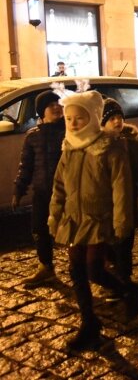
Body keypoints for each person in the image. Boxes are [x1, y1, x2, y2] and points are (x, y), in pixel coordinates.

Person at [48, 90, 138, 351]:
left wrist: (122, 220)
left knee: (93, 269)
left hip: (99, 218)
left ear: (91, 118)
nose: (73, 123)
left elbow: (121, 186)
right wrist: (55, 214)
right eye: (68, 119)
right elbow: (59, 185)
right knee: (76, 270)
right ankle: (89, 323)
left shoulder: (109, 147)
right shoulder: (68, 147)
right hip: (74, 219)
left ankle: (128, 289)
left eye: (79, 118)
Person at [12, 90, 65, 287]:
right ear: (42, 111)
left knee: (74, 231)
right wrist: (19, 190)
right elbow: (26, 166)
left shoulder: (68, 131)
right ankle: (46, 268)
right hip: (42, 192)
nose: (56, 107)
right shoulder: (32, 136)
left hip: (66, 192)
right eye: (51, 105)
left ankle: (98, 265)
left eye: (58, 103)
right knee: (39, 230)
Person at [100, 98, 138, 288]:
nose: (117, 121)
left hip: (127, 205)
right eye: (111, 118)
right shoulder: (98, 148)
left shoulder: (134, 146)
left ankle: (124, 278)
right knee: (107, 245)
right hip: (105, 206)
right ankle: (112, 278)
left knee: (124, 244)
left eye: (119, 117)